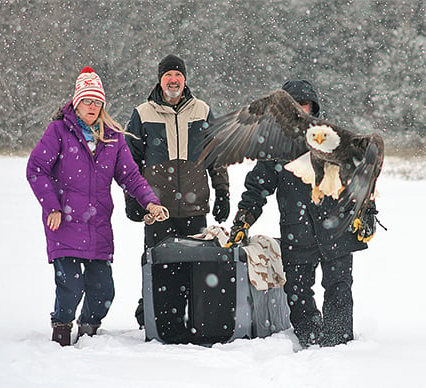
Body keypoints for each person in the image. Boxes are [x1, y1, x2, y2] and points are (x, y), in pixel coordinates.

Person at [228, 79, 378, 348]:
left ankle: (338, 342)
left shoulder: (333, 140)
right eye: (295, 104)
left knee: (339, 288)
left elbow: (363, 179)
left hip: (337, 228)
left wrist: (367, 211)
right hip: (297, 231)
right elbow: (257, 188)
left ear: (314, 107)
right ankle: (309, 337)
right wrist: (244, 218)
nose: (301, 109)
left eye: (305, 103)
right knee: (297, 291)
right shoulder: (276, 148)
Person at [27, 66, 169, 346]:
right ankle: (62, 330)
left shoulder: (113, 137)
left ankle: (89, 332)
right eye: (87, 101)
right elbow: (36, 169)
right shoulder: (59, 131)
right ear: (76, 103)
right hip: (64, 223)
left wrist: (150, 202)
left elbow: (129, 176)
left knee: (103, 290)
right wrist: (52, 206)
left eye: (97, 102)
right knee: (70, 286)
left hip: (98, 226)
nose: (92, 106)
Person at [124, 54, 230, 328]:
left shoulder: (203, 111)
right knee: (160, 267)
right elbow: (129, 162)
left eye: (178, 75)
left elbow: (216, 155)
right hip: (158, 209)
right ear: (160, 80)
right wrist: (133, 199)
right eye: (168, 75)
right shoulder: (142, 114)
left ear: (185, 80)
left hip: (195, 208)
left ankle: (194, 321)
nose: (173, 80)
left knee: (194, 269)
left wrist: (223, 191)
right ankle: (155, 317)